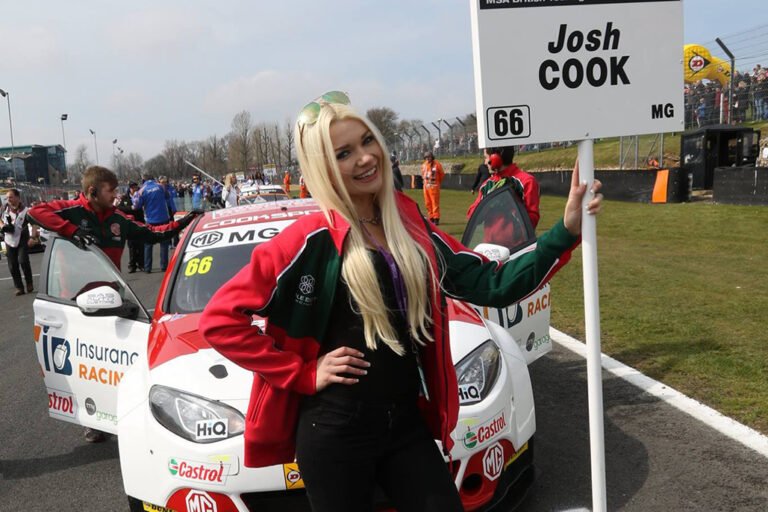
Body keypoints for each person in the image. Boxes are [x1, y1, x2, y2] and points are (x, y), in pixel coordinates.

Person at [199, 91, 602, 512]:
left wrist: (566, 229)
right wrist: (303, 372)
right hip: (335, 430)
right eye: (344, 153)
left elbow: (489, 283)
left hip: (404, 424)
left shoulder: (408, 223)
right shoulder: (308, 240)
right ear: (323, 168)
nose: (364, 158)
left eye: (367, 141)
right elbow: (220, 320)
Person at [28, 166, 200, 443]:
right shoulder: (72, 211)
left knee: (117, 362)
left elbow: (153, 233)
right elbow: (36, 212)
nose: (117, 195)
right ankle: (92, 420)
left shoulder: (118, 218)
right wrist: (71, 231)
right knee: (84, 367)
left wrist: (183, 223)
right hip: (76, 306)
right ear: (93, 191)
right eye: (111, 190)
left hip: (113, 301)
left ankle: (127, 413)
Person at [467, 145, 541, 228]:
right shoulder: (487, 185)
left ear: (495, 158)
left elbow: (532, 221)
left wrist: (510, 204)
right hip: (488, 241)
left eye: (486, 158)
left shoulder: (527, 181)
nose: (485, 163)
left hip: (518, 241)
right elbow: (471, 217)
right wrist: (487, 202)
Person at [136, 174, 175, 273]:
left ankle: (147, 267)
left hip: (150, 220)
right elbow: (168, 196)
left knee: (148, 244)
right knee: (164, 243)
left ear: (144, 180)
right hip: (163, 218)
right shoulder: (160, 186)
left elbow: (138, 206)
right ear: (153, 179)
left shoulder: (142, 190)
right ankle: (164, 266)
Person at [1, 189, 34, 296]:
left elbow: (34, 224)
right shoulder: (4, 209)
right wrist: (3, 226)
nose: (8, 199)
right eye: (7, 198)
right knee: (12, 265)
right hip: (9, 240)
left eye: (10, 197)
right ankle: (19, 287)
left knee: (23, 261)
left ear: (18, 197)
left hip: (22, 238)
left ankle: (29, 283)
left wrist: (33, 237)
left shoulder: (26, 211)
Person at [116, 182, 145, 273]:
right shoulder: (125, 198)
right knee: (132, 246)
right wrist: (131, 208)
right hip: (129, 224)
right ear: (130, 188)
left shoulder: (140, 196)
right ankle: (132, 265)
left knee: (140, 244)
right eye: (132, 188)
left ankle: (141, 264)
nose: (134, 189)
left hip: (139, 222)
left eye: (135, 187)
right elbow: (120, 208)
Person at [421, 151, 444, 225]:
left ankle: (436, 218)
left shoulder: (437, 164)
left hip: (434, 186)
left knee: (435, 203)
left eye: (429, 157)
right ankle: (431, 217)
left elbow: (441, 174)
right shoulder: (424, 165)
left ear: (432, 157)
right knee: (427, 203)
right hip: (426, 186)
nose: (427, 158)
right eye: (426, 157)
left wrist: (437, 183)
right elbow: (423, 174)